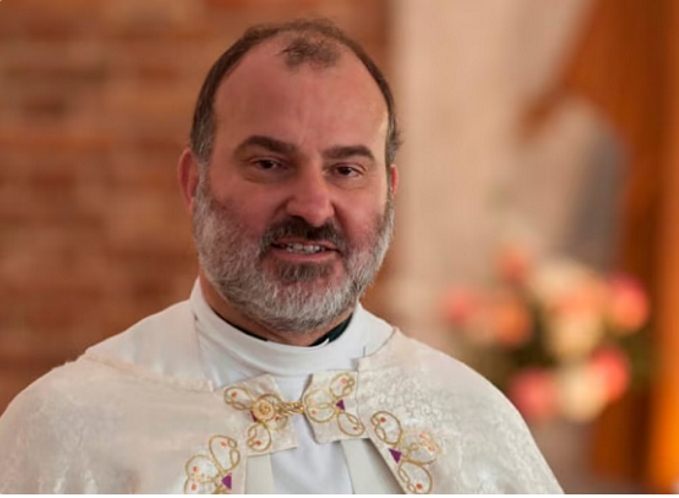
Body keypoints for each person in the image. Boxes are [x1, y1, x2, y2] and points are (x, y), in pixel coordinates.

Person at [0, 19, 562, 494]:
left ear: (389, 190)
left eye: (346, 169)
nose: (314, 207)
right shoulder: (69, 429)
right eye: (269, 164)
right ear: (194, 183)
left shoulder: (470, 421)